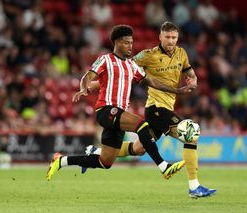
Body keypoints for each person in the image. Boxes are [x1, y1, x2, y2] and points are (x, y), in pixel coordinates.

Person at [83, 22, 217, 198]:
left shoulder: (181, 53)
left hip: (167, 107)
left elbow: (189, 72)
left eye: (174, 37)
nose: (170, 41)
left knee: (139, 148)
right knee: (191, 134)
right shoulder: (147, 55)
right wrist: (92, 85)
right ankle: (194, 187)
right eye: (167, 37)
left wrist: (193, 79)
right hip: (156, 108)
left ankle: (96, 152)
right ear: (160, 37)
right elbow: (120, 69)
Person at [46, 25, 194, 181]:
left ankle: (61, 160)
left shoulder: (132, 66)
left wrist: (177, 90)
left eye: (131, 42)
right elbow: (87, 77)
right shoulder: (105, 59)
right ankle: (164, 166)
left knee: (105, 162)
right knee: (142, 125)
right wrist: (83, 88)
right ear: (116, 43)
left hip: (118, 115)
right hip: (106, 109)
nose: (130, 46)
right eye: (126, 43)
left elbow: (152, 81)